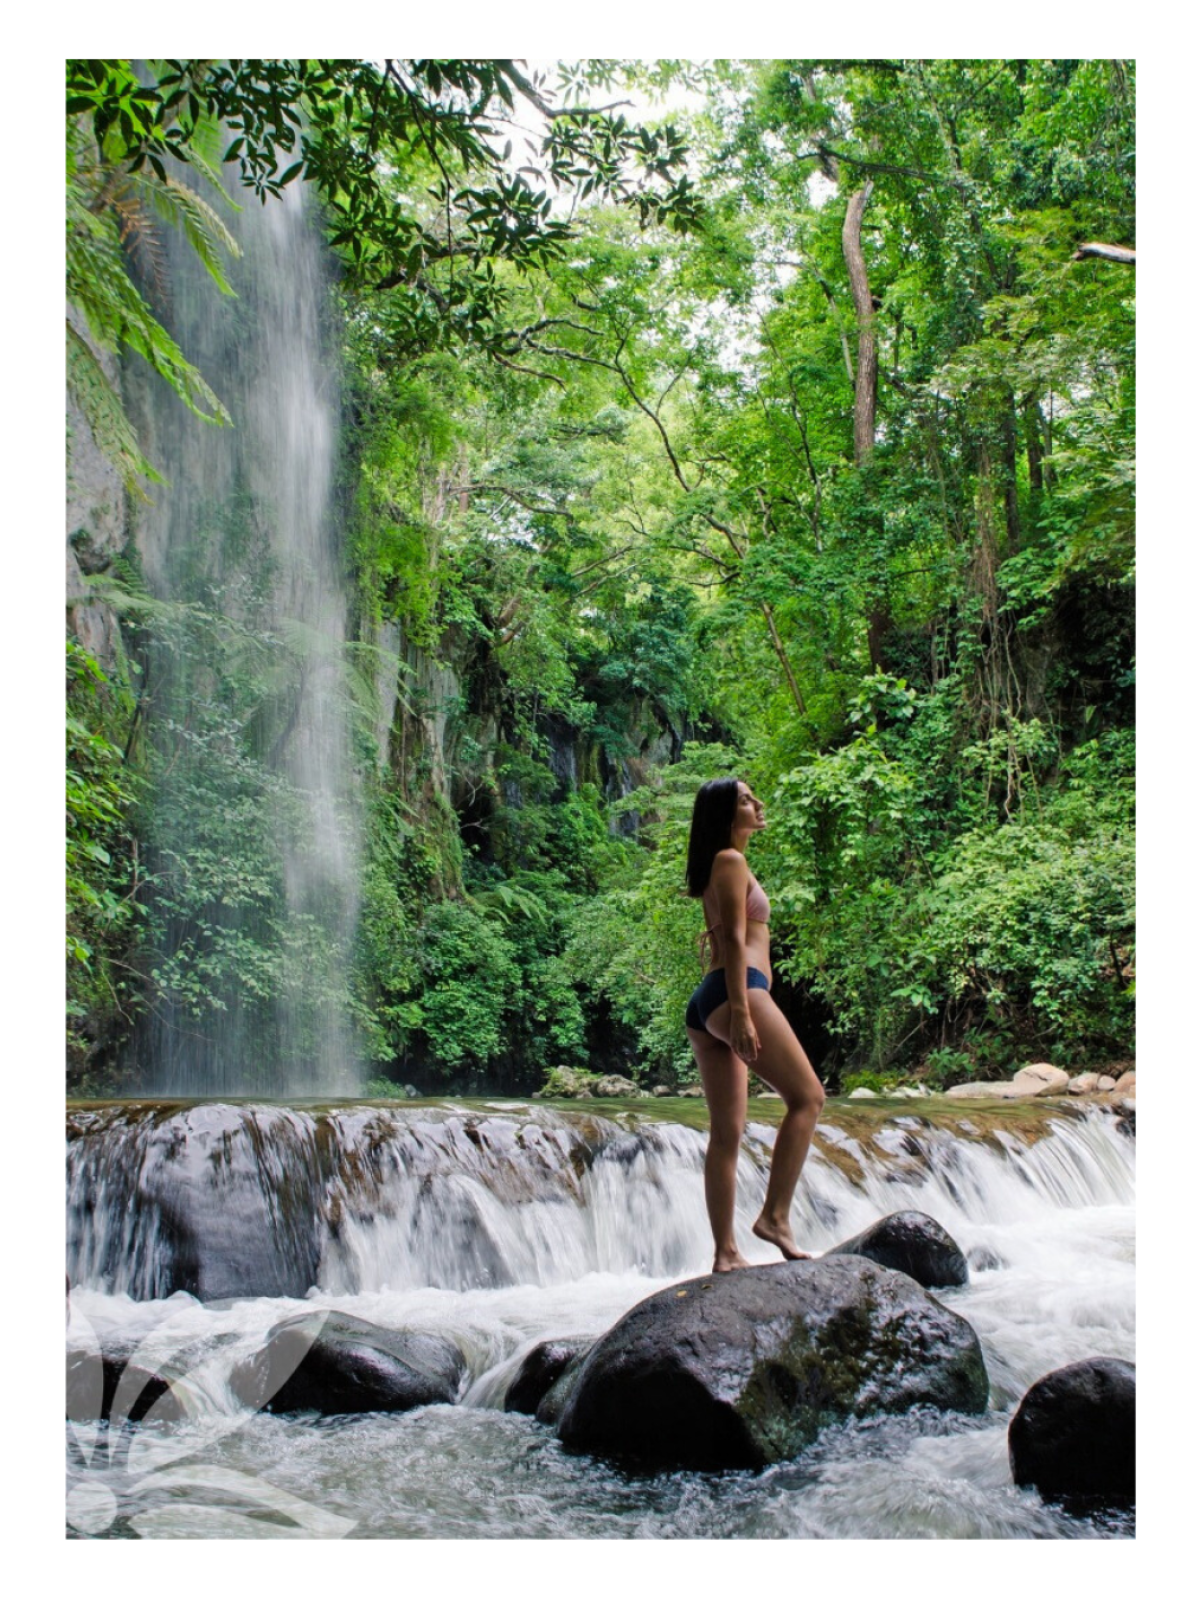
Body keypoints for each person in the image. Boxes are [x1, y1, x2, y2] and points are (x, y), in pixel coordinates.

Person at [684, 777, 825, 1272]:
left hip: (712, 999)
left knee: (727, 1133)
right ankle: (774, 1218)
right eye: (746, 799)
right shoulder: (730, 860)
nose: (757, 804)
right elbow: (737, 941)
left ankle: (725, 1254)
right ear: (726, 816)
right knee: (808, 1098)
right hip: (735, 990)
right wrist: (744, 1011)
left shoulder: (724, 863)